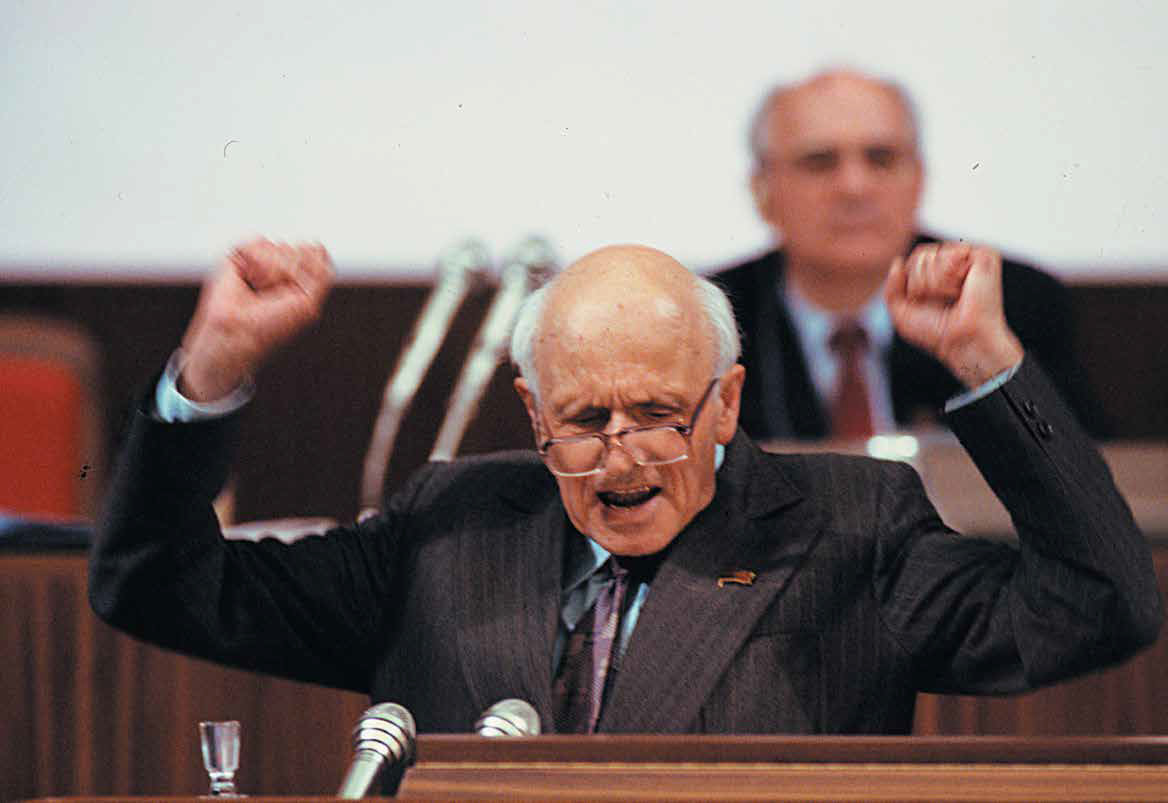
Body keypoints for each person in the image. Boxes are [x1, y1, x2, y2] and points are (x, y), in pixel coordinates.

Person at [89, 237, 1160, 737]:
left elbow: (1100, 605)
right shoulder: (445, 528)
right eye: (586, 420)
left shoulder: (850, 527)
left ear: (726, 403)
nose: (623, 456)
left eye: (657, 412)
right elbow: (155, 584)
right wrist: (211, 368)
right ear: (533, 415)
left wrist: (985, 365)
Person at [715, 68, 1108, 441]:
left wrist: (986, 358)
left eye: (881, 159)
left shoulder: (1011, 300)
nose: (854, 187)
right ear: (761, 190)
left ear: (919, 180)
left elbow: (1088, 473)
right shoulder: (716, 315)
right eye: (820, 162)